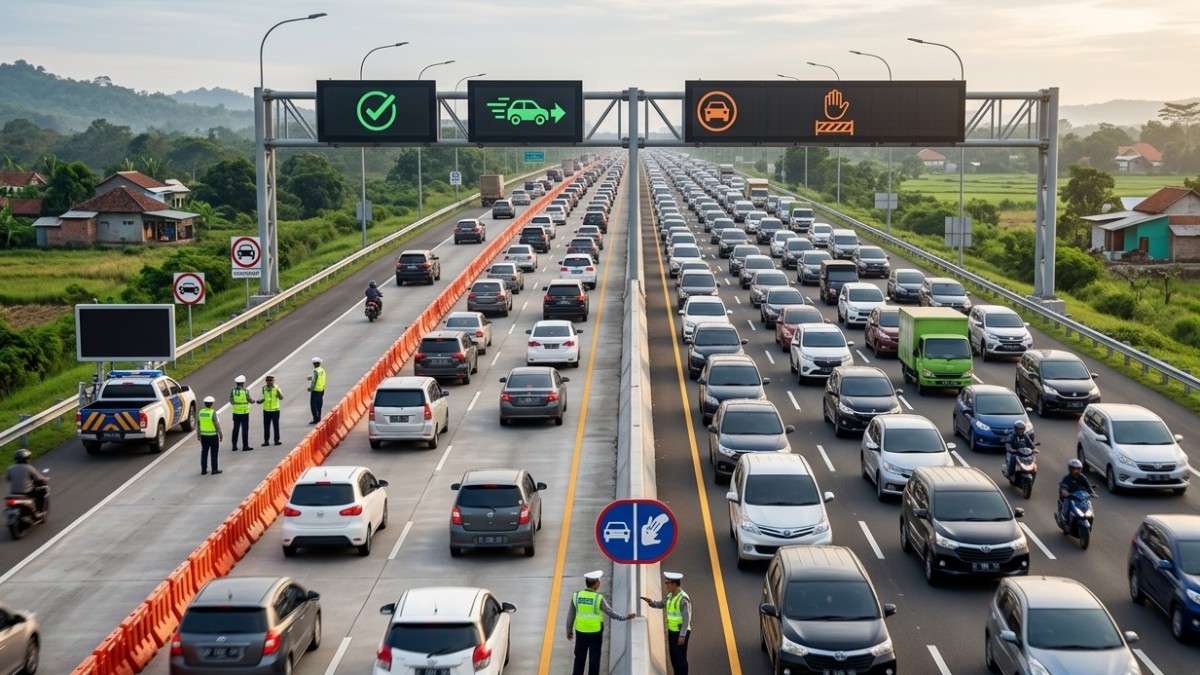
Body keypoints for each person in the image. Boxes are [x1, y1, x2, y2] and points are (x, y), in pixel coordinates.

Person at [566, 570, 635, 675]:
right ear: (596, 584)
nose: (599, 584)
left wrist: (569, 630)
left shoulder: (577, 595)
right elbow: (610, 612)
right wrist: (624, 617)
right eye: (599, 582)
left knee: (579, 658)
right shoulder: (598, 598)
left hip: (580, 631)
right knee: (594, 658)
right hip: (595, 633)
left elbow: (571, 614)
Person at [641, 571, 691, 675]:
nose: (666, 586)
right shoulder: (670, 596)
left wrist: (682, 635)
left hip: (680, 632)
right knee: (674, 658)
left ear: (674, 584)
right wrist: (651, 602)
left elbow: (686, 618)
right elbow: (662, 604)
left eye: (668, 583)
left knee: (680, 659)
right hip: (672, 631)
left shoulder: (683, 599)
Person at [5, 449, 47, 513]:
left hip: (13, 492)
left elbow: (8, 479)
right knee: (43, 490)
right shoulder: (29, 467)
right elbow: (39, 478)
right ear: (26, 459)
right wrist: (44, 479)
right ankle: (39, 510)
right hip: (26, 492)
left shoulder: (10, 468)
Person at [196, 395, 224, 475]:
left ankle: (203, 469)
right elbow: (217, 424)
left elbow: (198, 425)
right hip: (213, 436)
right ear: (212, 404)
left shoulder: (200, 412)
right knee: (214, 452)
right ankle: (214, 469)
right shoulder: (212, 412)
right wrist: (221, 434)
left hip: (203, 436)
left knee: (204, 452)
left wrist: (198, 434)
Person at [257, 374, 284, 447]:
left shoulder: (277, 388)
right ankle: (266, 441)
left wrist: (277, 391)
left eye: (271, 380)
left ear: (273, 381)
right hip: (266, 410)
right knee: (266, 427)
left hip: (275, 410)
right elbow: (264, 398)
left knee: (276, 426)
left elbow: (281, 398)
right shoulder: (264, 388)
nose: (269, 382)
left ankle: (276, 440)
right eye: (267, 380)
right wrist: (259, 401)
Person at [229, 374, 251, 451]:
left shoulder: (233, 391)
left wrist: (236, 405)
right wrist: (252, 401)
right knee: (245, 429)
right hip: (244, 412)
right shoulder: (245, 391)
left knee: (235, 429)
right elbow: (249, 399)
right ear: (242, 383)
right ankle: (245, 445)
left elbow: (231, 400)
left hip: (236, 413)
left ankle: (234, 445)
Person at [306, 357, 325, 424]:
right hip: (321, 389)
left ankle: (316, 419)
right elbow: (318, 378)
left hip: (315, 390)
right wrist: (311, 378)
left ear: (314, 364)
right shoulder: (322, 370)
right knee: (319, 404)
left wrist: (310, 388)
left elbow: (314, 381)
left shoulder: (315, 371)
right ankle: (319, 417)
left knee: (313, 405)